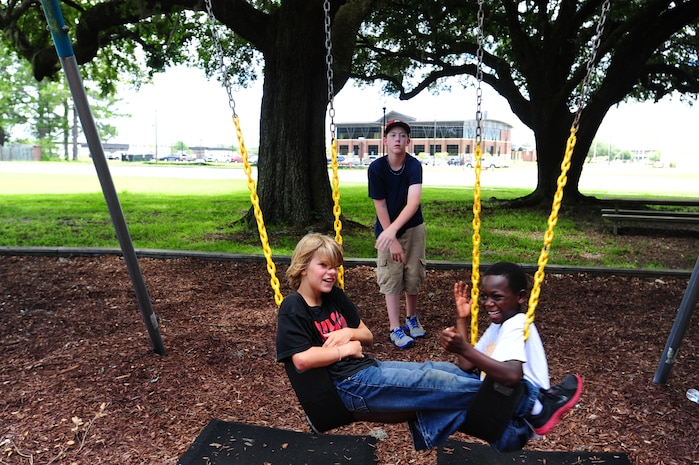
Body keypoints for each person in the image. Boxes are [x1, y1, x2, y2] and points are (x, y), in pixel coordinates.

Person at [276, 233, 582, 451]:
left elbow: (366, 335)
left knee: (448, 375)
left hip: (365, 371)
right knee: (431, 380)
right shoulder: (294, 306)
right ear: (303, 267)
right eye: (324, 266)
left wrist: (349, 335)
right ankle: (534, 403)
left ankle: (510, 434)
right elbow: (302, 359)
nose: (332, 273)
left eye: (335, 267)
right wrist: (348, 348)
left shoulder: (336, 297)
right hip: (346, 387)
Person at [440, 261, 584, 450]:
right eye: (484, 296)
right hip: (499, 415)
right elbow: (467, 364)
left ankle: (541, 408)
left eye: (497, 297)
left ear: (520, 297)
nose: (488, 303)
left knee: (437, 386)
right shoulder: (498, 325)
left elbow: (510, 376)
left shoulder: (517, 322)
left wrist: (463, 348)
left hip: (516, 420)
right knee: (447, 377)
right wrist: (461, 319)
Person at [368, 119, 426, 349]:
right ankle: (395, 328)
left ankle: (411, 318)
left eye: (402, 135)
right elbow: (380, 205)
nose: (398, 139)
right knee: (391, 276)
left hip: (413, 228)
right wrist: (390, 237)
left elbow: (413, 202)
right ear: (385, 141)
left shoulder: (414, 166)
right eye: (393, 135)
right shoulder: (376, 168)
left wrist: (393, 232)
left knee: (413, 274)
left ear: (408, 141)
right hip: (386, 228)